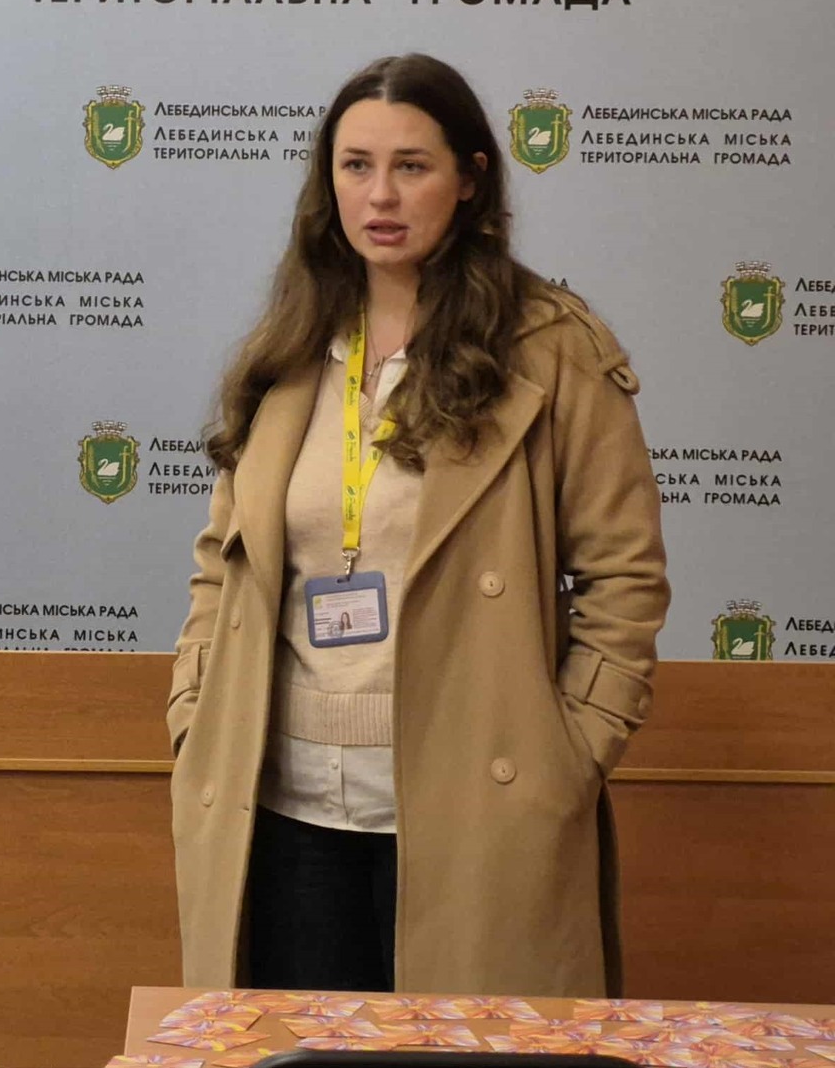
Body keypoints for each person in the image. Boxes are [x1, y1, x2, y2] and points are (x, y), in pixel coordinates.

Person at [165, 54, 669, 997]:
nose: (381, 196)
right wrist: (196, 711)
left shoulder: (552, 349)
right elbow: (222, 560)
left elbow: (625, 577)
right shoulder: (291, 343)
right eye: (356, 166)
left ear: (470, 179)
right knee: (298, 1053)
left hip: (475, 803)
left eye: (412, 166)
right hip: (282, 807)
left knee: (466, 1054)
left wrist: (565, 757)